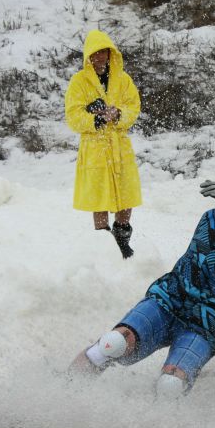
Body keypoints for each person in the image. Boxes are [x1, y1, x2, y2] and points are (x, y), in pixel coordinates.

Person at [71, 161, 215, 398]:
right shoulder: (212, 218)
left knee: (171, 386)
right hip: (170, 299)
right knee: (113, 344)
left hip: (210, 321)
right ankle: (64, 390)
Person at [65, 30, 142, 259]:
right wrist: (96, 117)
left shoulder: (123, 79)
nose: (100, 57)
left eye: (104, 52)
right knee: (99, 195)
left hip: (119, 144)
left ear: (111, 54)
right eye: (95, 53)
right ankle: (102, 243)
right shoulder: (79, 81)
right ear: (88, 55)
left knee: (126, 192)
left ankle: (122, 236)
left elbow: (133, 106)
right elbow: (72, 116)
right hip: (95, 146)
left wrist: (118, 114)